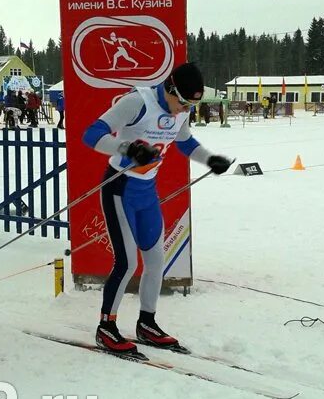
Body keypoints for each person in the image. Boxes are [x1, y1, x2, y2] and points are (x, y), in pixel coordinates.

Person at [82, 62, 232, 356]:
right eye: (183, 103)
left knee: (155, 262)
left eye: (192, 105)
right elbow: (91, 134)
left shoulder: (182, 110)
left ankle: (146, 323)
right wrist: (127, 149)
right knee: (127, 263)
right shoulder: (138, 101)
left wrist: (209, 158)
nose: (184, 110)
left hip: (147, 192)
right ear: (170, 88)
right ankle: (106, 327)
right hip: (120, 188)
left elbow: (185, 141)